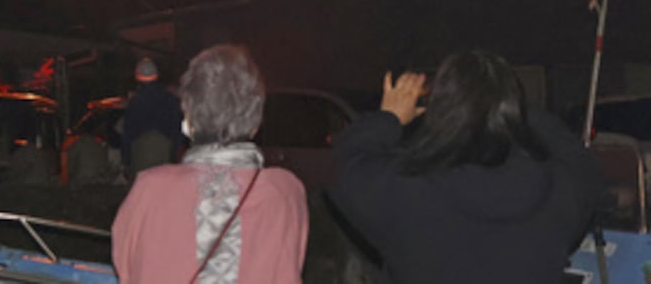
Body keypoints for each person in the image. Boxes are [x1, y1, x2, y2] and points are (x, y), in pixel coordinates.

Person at [331, 49, 603, 284]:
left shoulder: (405, 193)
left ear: (440, 113)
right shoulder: (559, 192)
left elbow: (347, 160)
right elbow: (575, 154)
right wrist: (506, 106)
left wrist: (388, 117)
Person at [112, 45, 308, 283]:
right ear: (256, 123)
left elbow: (127, 267)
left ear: (189, 120)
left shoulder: (149, 189)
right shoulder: (285, 193)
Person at [120, 56, 184, 171]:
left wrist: (127, 160)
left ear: (137, 77)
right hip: (165, 160)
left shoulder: (135, 103)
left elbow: (128, 134)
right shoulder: (169, 100)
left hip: (140, 159)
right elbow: (177, 132)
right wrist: (174, 157)